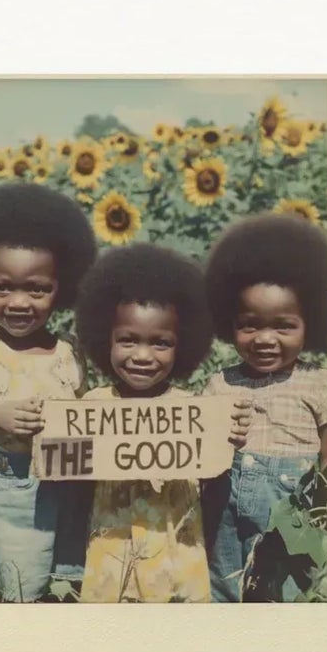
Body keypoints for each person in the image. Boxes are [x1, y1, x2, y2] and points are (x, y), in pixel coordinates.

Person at [0, 185, 97, 600]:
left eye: (37, 289)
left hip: (72, 479)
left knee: (70, 576)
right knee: (18, 583)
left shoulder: (69, 348)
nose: (18, 302)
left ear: (61, 288)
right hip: (15, 487)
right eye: (2, 288)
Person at [73, 245, 243, 603]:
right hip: (111, 553)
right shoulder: (93, 406)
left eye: (161, 343)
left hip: (176, 555)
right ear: (106, 338)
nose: (143, 356)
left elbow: (210, 474)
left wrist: (228, 438)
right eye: (128, 340)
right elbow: (70, 471)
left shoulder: (194, 409)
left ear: (183, 346)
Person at [201, 212, 327, 602]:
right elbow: (198, 451)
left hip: (293, 517)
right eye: (249, 325)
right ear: (230, 324)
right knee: (223, 588)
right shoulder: (219, 383)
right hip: (225, 517)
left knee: (287, 595)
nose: (264, 338)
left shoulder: (321, 382)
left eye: (283, 326)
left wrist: (323, 509)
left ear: (312, 325)